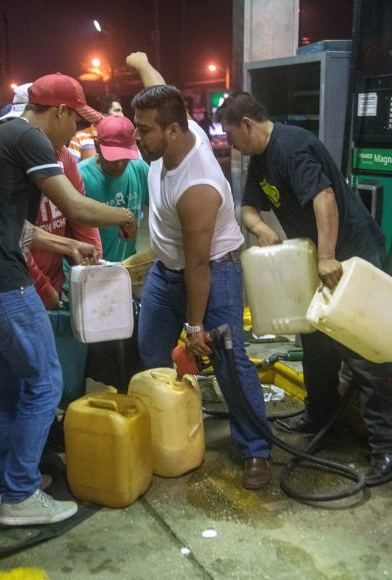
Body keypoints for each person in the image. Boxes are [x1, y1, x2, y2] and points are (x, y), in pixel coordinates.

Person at [0, 73, 137, 526]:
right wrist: (125, 215)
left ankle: (0, 490)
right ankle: (21, 496)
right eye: (78, 123)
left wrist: (69, 248)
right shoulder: (30, 138)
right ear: (60, 112)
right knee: (46, 384)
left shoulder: (0, 138)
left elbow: (18, 231)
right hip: (0, 288)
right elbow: (77, 209)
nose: (79, 135)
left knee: (11, 385)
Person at [217, 91, 392, 486]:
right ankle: (321, 415)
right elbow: (248, 208)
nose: (232, 145)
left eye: (233, 136)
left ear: (249, 125)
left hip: (350, 252)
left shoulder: (290, 148)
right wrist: (260, 227)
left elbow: (325, 201)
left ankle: (390, 444)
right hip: (320, 255)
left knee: (360, 347)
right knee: (316, 336)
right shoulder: (261, 158)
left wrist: (326, 257)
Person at [126, 51, 273, 490]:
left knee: (230, 362)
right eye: (136, 126)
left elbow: (198, 267)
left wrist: (194, 327)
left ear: (174, 130)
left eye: (144, 130)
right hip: (165, 271)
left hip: (213, 271)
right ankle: (167, 430)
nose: (137, 137)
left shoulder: (198, 186)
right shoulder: (170, 129)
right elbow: (161, 86)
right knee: (150, 352)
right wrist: (142, 63)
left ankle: (256, 449)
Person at [78, 115, 150, 262]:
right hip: (86, 270)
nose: (120, 164)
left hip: (124, 269)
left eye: (125, 157)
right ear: (97, 145)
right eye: (113, 158)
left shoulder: (140, 169)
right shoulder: (80, 176)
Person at [68, 93, 125, 162]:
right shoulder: (79, 138)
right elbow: (70, 169)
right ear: (101, 114)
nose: (122, 116)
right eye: (117, 111)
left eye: (121, 111)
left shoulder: (125, 138)